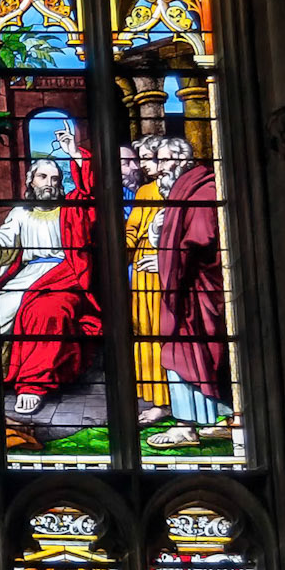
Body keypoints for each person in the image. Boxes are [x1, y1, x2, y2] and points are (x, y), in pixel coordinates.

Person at [0, 126, 101, 416]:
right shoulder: (21, 212)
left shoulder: (72, 208)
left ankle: (33, 383)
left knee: (47, 313)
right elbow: (5, 240)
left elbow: (92, 192)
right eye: (43, 176)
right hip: (28, 275)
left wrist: (75, 154)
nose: (50, 183)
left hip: (68, 275)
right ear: (31, 180)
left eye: (55, 178)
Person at [147, 136, 232, 448]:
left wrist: (173, 262)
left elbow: (202, 237)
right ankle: (212, 420)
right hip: (185, 286)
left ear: (182, 162)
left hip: (197, 289)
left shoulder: (203, 189)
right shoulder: (182, 191)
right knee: (186, 350)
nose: (157, 169)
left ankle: (189, 426)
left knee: (191, 350)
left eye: (164, 160)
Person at [125, 134, 170, 421]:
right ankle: (158, 401)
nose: (142, 165)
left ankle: (173, 403)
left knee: (166, 331)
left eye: (146, 159)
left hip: (168, 266)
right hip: (144, 269)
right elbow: (133, 229)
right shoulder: (145, 193)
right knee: (146, 331)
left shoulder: (181, 189)